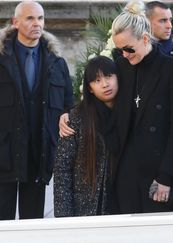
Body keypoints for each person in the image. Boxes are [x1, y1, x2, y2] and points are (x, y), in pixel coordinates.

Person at [110, 0, 173, 213]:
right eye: (120, 50)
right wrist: (68, 115)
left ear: (145, 38)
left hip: (161, 171)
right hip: (127, 171)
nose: (125, 55)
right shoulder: (121, 65)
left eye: (129, 49)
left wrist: (165, 177)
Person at [0, 1, 74, 220]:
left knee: (32, 226)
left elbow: (67, 106)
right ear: (16, 22)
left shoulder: (56, 62)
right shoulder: (2, 60)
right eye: (30, 18)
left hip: (39, 154)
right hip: (4, 155)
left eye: (40, 18)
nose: (37, 23)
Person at [54, 56, 118, 217]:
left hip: (121, 203)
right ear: (89, 88)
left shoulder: (130, 114)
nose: (105, 84)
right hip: (85, 207)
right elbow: (63, 168)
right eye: (97, 80)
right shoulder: (76, 117)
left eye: (109, 76)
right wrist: (64, 217)